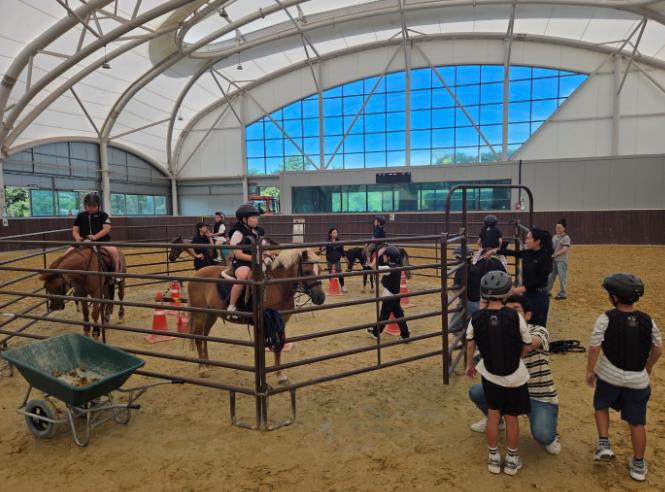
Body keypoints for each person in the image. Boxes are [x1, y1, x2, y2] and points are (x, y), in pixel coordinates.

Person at [586, 273, 661, 482]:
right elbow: (658, 349)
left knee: (601, 405)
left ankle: (604, 443)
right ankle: (638, 464)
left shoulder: (606, 318)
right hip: (638, 380)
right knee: (637, 422)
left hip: (609, 375)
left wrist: (590, 371)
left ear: (614, 297)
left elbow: (594, 347)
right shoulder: (648, 320)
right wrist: (648, 366)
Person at [469, 294, 561, 455]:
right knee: (477, 392)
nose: (510, 314)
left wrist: (490, 333)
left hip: (537, 396)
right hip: (506, 390)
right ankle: (497, 421)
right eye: (507, 310)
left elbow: (530, 343)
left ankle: (552, 434)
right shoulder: (495, 331)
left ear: (528, 315)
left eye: (516, 310)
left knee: (544, 435)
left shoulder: (539, 331)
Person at [465, 271, 532, 476]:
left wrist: (469, 365)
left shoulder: (476, 317)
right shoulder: (515, 316)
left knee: (493, 415)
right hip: (514, 377)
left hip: (491, 374)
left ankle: (493, 457)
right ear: (506, 294)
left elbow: (470, 344)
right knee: (512, 418)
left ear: (484, 293)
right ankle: (511, 459)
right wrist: (517, 357)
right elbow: (527, 344)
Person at [500, 228, 554, 327]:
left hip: (539, 296)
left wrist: (523, 288)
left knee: (538, 326)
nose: (526, 241)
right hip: (527, 295)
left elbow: (541, 279)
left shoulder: (545, 257)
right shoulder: (528, 253)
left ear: (537, 241)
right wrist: (495, 250)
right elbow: (514, 253)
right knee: (525, 324)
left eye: (529, 238)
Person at [70, 193, 122, 282]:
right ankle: (64, 275)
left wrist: (95, 237)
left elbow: (107, 228)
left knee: (114, 252)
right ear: (85, 205)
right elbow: (75, 230)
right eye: (89, 206)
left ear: (98, 205)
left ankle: (117, 274)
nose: (91, 208)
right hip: (83, 241)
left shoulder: (103, 215)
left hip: (101, 242)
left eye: (94, 206)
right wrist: (78, 238)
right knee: (68, 252)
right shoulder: (80, 216)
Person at [225, 204, 264, 318]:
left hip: (256, 260)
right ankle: (231, 306)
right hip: (242, 262)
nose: (256, 220)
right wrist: (255, 258)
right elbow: (238, 254)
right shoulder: (238, 234)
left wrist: (267, 253)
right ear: (244, 219)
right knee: (243, 276)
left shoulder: (257, 232)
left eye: (257, 217)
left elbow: (263, 246)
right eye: (253, 217)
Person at [367, 245, 410, 341]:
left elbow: (372, 267)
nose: (383, 256)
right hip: (396, 295)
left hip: (389, 297)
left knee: (384, 316)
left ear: (389, 257)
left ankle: (375, 333)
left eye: (384, 255)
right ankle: (405, 335)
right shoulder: (398, 266)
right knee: (399, 315)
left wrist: (378, 254)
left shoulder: (388, 268)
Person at [449, 246, 481, 333]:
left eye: (456, 257)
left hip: (467, 303)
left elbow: (457, 288)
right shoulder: (475, 268)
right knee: (470, 326)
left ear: (459, 258)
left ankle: (465, 340)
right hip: (477, 301)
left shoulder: (460, 271)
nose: (455, 259)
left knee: (453, 326)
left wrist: (453, 287)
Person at [548, 219, 571, 300]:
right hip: (553, 260)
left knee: (562, 278)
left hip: (561, 260)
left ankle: (562, 293)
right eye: (556, 228)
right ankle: (547, 291)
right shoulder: (554, 237)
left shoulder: (566, 238)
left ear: (564, 228)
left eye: (559, 228)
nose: (557, 229)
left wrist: (554, 254)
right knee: (550, 277)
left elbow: (564, 249)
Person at [321, 228, 347, 293]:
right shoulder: (327, 241)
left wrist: (346, 259)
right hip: (329, 260)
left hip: (337, 260)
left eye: (336, 232)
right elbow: (321, 248)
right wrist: (323, 247)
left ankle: (342, 287)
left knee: (339, 273)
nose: (336, 234)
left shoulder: (339, 241)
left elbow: (342, 251)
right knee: (330, 274)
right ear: (331, 234)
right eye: (334, 232)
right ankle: (332, 286)